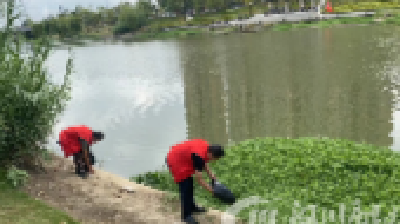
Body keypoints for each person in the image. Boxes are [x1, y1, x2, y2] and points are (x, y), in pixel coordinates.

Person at [165, 139, 225, 224]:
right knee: (185, 187)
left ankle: (192, 207)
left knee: (190, 184)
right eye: (215, 158)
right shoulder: (199, 156)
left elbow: (204, 163)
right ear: (211, 153)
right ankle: (186, 216)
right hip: (175, 161)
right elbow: (199, 179)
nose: (213, 160)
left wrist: (212, 176)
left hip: (184, 159)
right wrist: (212, 191)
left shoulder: (206, 147)